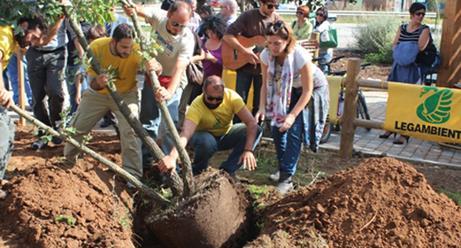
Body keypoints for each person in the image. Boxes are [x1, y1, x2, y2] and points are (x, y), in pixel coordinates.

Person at [63, 24, 161, 180]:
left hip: (127, 94)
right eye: (123, 47)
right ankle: (67, 165)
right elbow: (92, 84)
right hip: (98, 94)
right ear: (113, 42)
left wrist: (156, 67)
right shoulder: (96, 47)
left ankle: (132, 177)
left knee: (131, 131)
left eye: (129, 47)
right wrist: (99, 82)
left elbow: (156, 69)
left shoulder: (138, 49)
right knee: (78, 126)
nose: (127, 51)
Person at [124, 1, 195, 167]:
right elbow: (137, 10)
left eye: (182, 26)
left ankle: (170, 165)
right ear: (168, 15)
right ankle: (147, 161)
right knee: (149, 121)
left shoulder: (187, 39)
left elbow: (179, 68)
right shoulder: (159, 17)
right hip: (153, 75)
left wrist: (169, 92)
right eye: (175, 24)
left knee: (169, 122)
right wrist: (131, 9)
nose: (178, 29)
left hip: (173, 80)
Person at [255, 20, 317, 194]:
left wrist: (292, 116)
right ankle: (283, 168)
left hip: (304, 92)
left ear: (287, 40)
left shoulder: (300, 56)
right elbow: (265, 84)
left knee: (294, 131)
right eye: (269, 43)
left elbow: (308, 91)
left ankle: (286, 178)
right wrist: (261, 108)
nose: (273, 47)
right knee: (277, 130)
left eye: (277, 43)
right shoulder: (266, 56)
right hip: (280, 92)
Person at [158, 75, 262, 176]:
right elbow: (186, 133)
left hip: (226, 135)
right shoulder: (197, 105)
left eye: (218, 99)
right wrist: (172, 157)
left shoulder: (232, 97)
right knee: (207, 141)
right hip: (202, 138)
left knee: (256, 129)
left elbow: (251, 123)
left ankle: (227, 171)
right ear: (204, 92)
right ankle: (198, 171)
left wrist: (248, 150)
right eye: (211, 98)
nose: (214, 102)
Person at [19, 16, 77, 149]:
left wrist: (82, 54)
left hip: (57, 53)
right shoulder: (30, 4)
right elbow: (20, 26)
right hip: (34, 53)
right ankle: (43, 133)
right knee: (37, 96)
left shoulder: (61, 5)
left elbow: (74, 32)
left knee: (55, 91)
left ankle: (56, 126)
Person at [381, 2, 431, 145]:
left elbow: (421, 47)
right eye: (418, 14)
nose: (420, 17)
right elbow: (395, 43)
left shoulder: (425, 29)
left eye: (423, 14)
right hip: (398, 67)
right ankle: (391, 127)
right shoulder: (402, 27)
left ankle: (404, 133)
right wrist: (400, 54)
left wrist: (407, 50)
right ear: (411, 14)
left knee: (409, 100)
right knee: (395, 97)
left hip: (412, 68)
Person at [223, 0, 279, 116]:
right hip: (243, 67)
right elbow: (228, 36)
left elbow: (283, 41)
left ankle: (256, 130)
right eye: (270, 6)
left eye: (276, 6)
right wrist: (245, 51)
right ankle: (237, 131)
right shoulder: (248, 16)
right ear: (261, 3)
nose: (273, 9)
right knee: (239, 102)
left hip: (263, 70)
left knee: (259, 105)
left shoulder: (277, 20)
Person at [0, 25, 16, 200]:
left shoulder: (13, 41)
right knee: (2, 133)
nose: (34, 42)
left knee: (9, 128)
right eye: (34, 36)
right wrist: (2, 90)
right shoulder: (5, 34)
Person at [313, 7, 333, 73]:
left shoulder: (325, 24)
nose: (318, 16)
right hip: (322, 51)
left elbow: (318, 31)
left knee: (323, 71)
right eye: (317, 14)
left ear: (325, 16)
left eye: (321, 15)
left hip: (325, 52)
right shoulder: (318, 24)